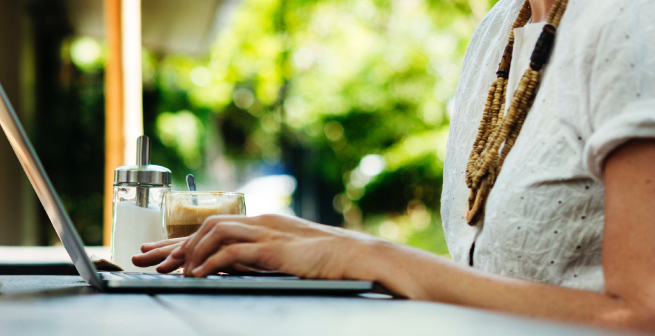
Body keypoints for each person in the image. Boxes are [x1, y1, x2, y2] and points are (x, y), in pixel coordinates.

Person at [135, 0, 655, 331]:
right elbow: (489, 281)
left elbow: (642, 316)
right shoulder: (500, 27)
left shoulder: (629, 22)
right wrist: (318, 245)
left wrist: (373, 257)